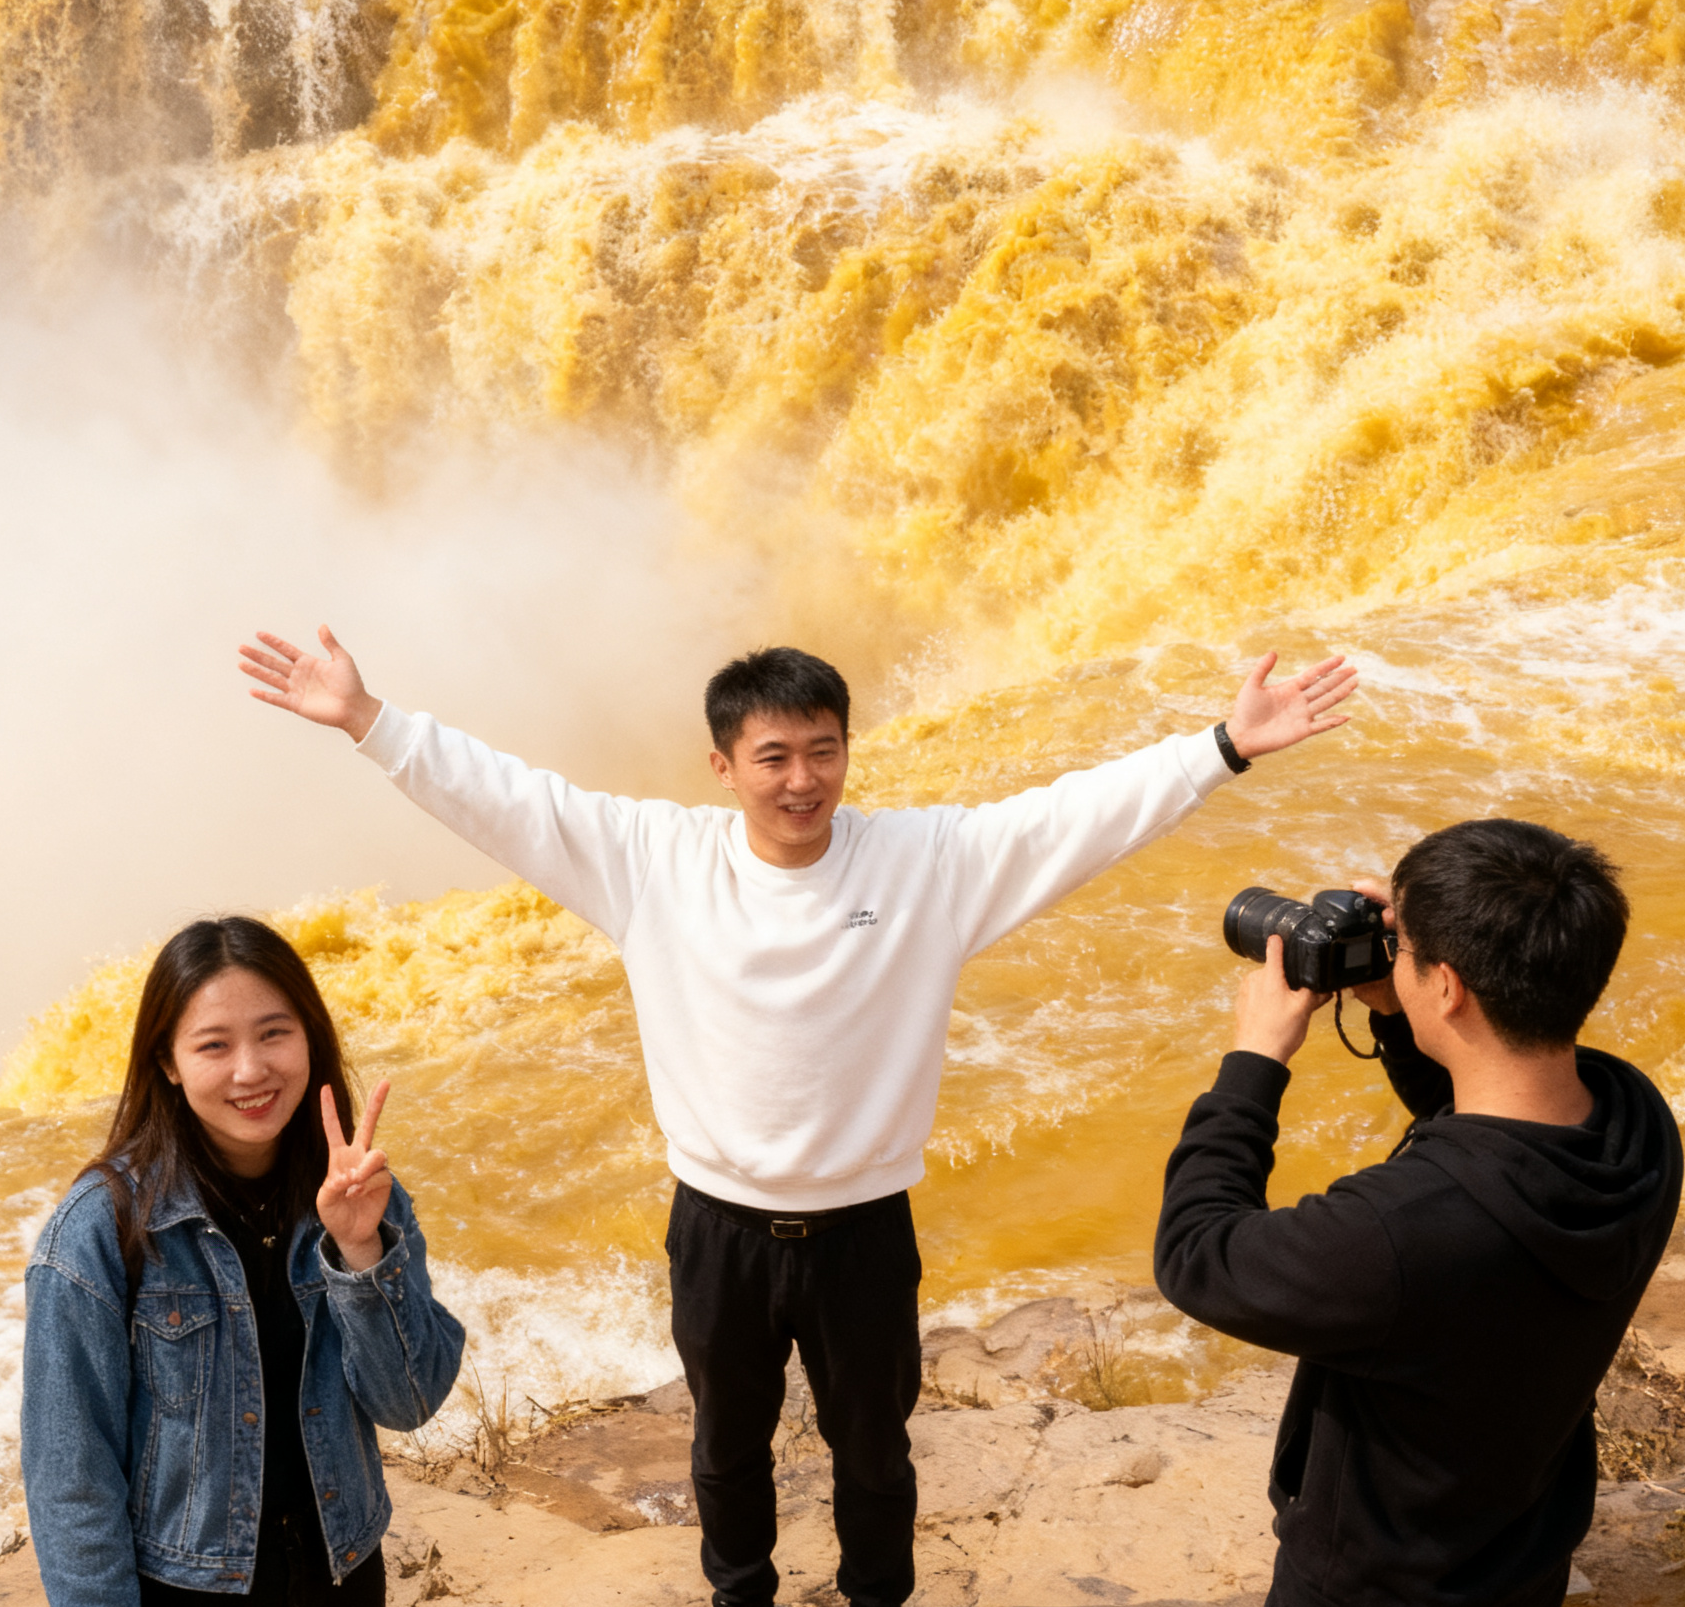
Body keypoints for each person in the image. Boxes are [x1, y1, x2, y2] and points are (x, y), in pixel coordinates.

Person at [238, 625, 1358, 1607]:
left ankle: (878, 1599)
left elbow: (1074, 817)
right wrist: (368, 721)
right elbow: (506, 797)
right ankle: (742, 1596)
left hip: (866, 1229)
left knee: (875, 1451)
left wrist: (1221, 746)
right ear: (723, 766)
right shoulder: (651, 862)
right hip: (717, 1226)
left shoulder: (926, 864)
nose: (802, 779)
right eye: (773, 755)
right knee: (726, 1451)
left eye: (824, 750)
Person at [1154, 819, 1683, 1607]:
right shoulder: (1635, 1125)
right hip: (1519, 1551)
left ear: (1449, 987)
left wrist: (1253, 1061)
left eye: (1404, 949)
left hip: (1373, 1584)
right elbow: (1495, 1118)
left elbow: (1198, 1254)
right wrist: (1400, 1010)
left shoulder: (1397, 1234)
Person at [22, 916, 465, 1607]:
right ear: (167, 1062)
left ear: (310, 1037)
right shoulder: (100, 1231)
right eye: (213, 1045)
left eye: (273, 1033)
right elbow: (70, 1478)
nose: (251, 1071)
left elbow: (408, 1404)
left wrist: (359, 1252)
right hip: (184, 1588)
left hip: (341, 1575)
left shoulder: (360, 1194)